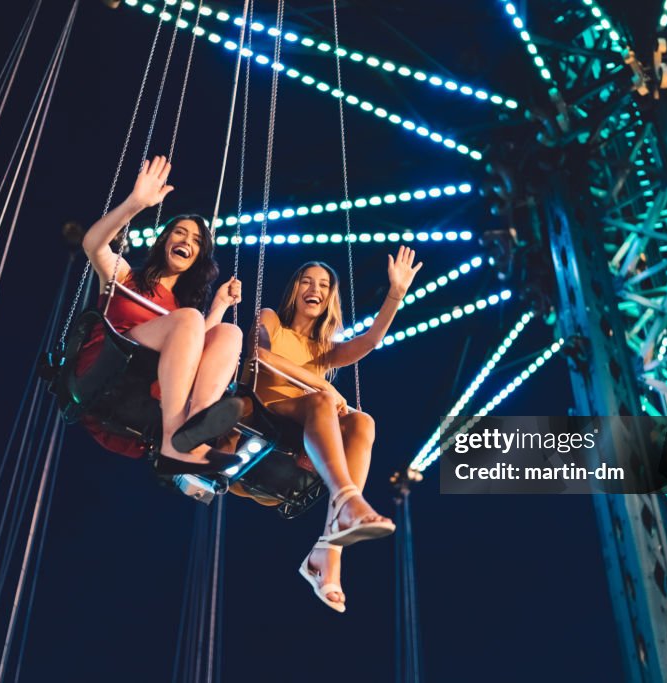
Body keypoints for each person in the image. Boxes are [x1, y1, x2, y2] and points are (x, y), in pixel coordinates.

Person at [250, 247, 423, 612]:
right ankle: (348, 503)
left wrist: (395, 295)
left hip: (305, 425)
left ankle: (328, 549)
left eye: (324, 285)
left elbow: (371, 341)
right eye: (307, 282)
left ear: (330, 298)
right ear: (294, 290)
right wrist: (323, 386)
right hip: (265, 413)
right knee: (322, 401)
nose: (315, 289)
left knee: (363, 421)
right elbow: (260, 356)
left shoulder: (323, 350)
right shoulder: (271, 321)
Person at [77, 155, 244, 475]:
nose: (186, 241)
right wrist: (135, 204)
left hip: (150, 388)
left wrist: (220, 307)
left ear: (199, 258)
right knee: (191, 319)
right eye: (179, 233)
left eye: (196, 240)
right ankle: (173, 441)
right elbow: (93, 244)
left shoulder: (183, 313)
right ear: (164, 241)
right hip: (107, 368)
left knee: (229, 333)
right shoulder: (125, 276)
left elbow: (196, 351)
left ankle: (193, 431)